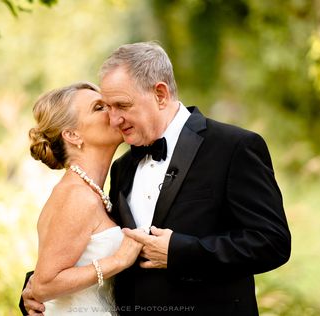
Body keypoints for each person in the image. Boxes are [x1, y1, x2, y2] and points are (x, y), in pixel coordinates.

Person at [22, 42, 291, 315]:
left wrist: (181, 252)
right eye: (106, 108)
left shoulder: (232, 147)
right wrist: (37, 291)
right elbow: (91, 246)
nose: (114, 120)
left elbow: (273, 242)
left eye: (121, 105)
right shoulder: (123, 168)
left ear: (160, 94)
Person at [22, 81, 143, 316]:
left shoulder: (93, 190)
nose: (113, 112)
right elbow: (44, 285)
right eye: (99, 107)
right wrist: (118, 261)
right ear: (72, 135)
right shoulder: (76, 195)